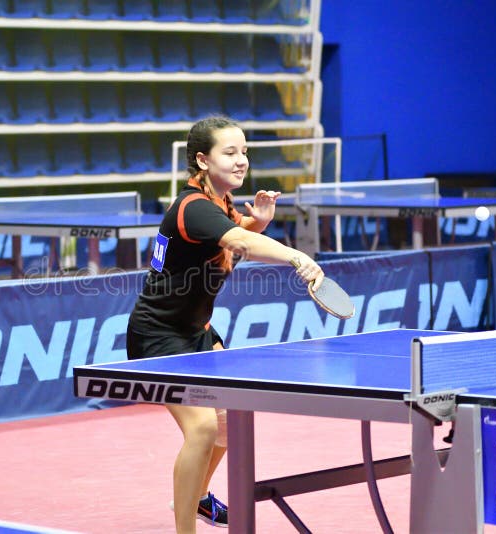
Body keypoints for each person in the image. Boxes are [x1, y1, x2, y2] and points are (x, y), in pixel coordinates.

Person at [126, 116, 324, 532]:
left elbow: (233, 235)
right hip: (158, 336)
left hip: (196, 331)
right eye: (229, 152)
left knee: (230, 422)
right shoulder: (192, 207)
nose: (241, 161)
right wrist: (296, 255)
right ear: (202, 159)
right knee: (201, 429)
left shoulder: (217, 204)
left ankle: (198, 497)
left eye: (245, 151)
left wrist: (260, 222)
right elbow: (237, 241)